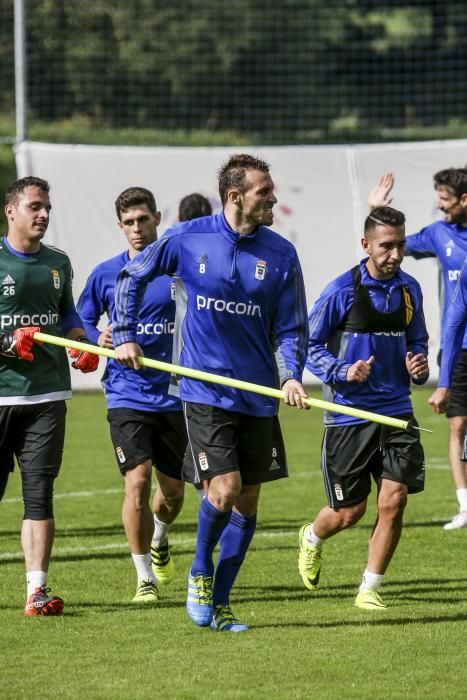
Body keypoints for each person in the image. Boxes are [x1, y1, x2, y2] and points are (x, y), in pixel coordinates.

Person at [112, 154, 309, 632]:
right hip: (203, 390)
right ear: (236, 196)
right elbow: (131, 279)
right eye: (265, 192)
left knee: (248, 502)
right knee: (223, 491)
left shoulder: (281, 255)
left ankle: (221, 603)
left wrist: (289, 375)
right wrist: (124, 332)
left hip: (259, 395)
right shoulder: (185, 238)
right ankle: (199, 572)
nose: (274, 198)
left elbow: (291, 327)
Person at [299, 206, 429, 610]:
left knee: (394, 499)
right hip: (348, 417)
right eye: (386, 246)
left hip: (397, 412)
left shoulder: (409, 290)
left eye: (401, 245)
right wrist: (343, 370)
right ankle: (312, 537)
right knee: (349, 512)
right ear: (366, 245)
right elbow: (308, 346)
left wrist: (418, 363)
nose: (395, 255)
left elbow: (418, 341)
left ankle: (369, 588)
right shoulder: (341, 290)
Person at [77, 187, 187, 603]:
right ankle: (144, 576)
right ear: (119, 226)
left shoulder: (179, 272)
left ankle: (159, 538)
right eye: (128, 223)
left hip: (176, 396)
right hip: (126, 396)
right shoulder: (107, 274)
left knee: (172, 493)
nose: (137, 229)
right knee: (137, 482)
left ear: (157, 217)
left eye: (143, 220)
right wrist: (96, 336)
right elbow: (81, 318)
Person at [0, 176, 98, 616]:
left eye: (47, 209)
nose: (43, 215)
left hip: (47, 395)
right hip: (1, 397)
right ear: (11, 211)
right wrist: (5, 342)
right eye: (35, 207)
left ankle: (36, 591)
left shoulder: (59, 261)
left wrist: (80, 339)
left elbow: (67, 311)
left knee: (39, 494)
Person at [369, 169, 467, 530]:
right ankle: (465, 506)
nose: (441, 209)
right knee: (458, 423)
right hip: (461, 348)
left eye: (445, 201)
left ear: (464, 200)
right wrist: (377, 212)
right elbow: (393, 247)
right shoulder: (439, 235)